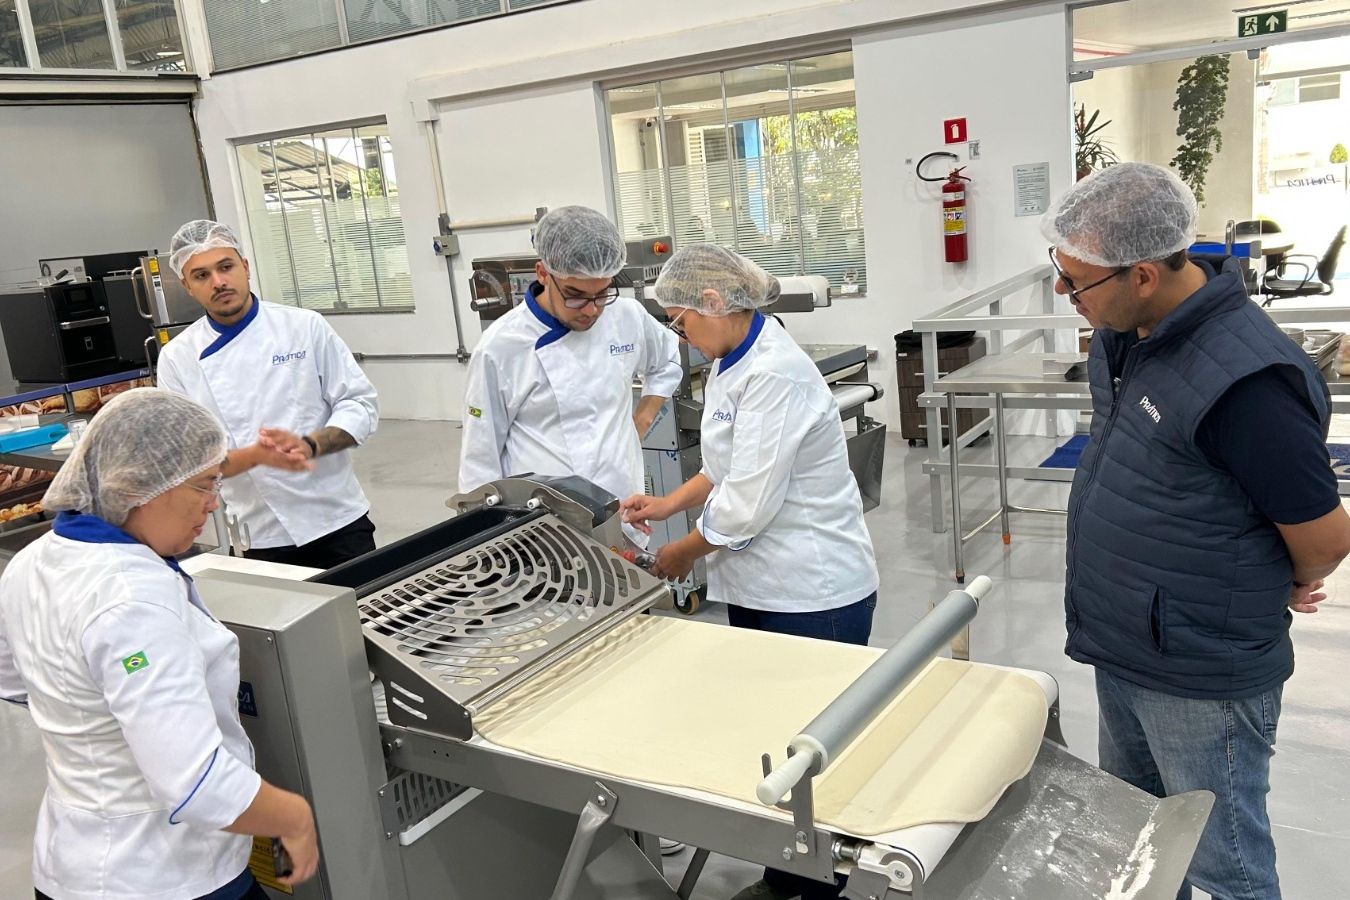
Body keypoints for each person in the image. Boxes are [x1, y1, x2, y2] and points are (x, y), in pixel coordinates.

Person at [1044, 162, 1350, 900]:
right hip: (1126, 641)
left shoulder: (1248, 383)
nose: (1064, 293)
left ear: (1144, 275)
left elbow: (1324, 538)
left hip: (1199, 674)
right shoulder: (1127, 335)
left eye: (1076, 282)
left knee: (1225, 863)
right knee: (1139, 839)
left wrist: (1280, 574)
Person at [619, 245, 878, 900]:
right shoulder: (729, 361)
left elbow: (748, 502)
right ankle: (784, 876)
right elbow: (723, 467)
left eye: (681, 321)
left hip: (813, 589)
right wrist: (668, 504)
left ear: (713, 302)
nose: (680, 335)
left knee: (814, 750)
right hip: (762, 583)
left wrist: (680, 554)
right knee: (775, 736)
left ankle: (819, 888)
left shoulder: (775, 373)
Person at [0, 389, 320, 900]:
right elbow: (196, 783)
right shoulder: (133, 599)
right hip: (164, 874)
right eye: (203, 484)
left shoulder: (30, 562)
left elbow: (16, 683)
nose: (214, 501)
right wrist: (295, 817)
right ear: (140, 486)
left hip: (67, 863)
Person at [157, 219, 380, 570]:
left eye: (226, 267)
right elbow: (188, 459)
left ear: (245, 267)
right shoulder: (177, 358)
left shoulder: (303, 326)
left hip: (336, 519)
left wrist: (310, 445)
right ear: (187, 286)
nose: (218, 282)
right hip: (258, 534)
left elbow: (359, 403)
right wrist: (257, 456)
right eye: (201, 275)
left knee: (365, 604)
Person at [458, 205, 681, 504]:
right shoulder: (500, 346)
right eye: (575, 295)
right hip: (543, 516)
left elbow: (667, 361)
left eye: (602, 293)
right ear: (543, 274)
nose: (591, 310)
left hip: (621, 499)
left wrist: (641, 420)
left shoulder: (626, 316)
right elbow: (480, 456)